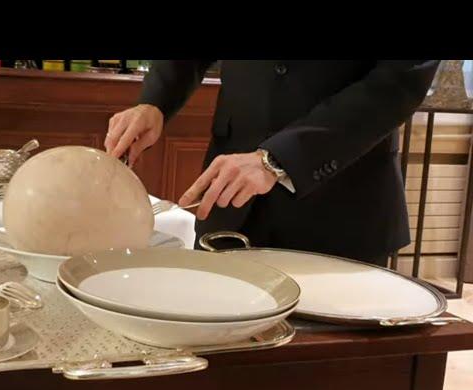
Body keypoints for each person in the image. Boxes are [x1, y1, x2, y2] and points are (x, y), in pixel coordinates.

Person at [104, 60, 440, 266]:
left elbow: (398, 82)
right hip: (229, 209)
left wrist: (280, 158)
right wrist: (155, 103)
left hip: (342, 212)